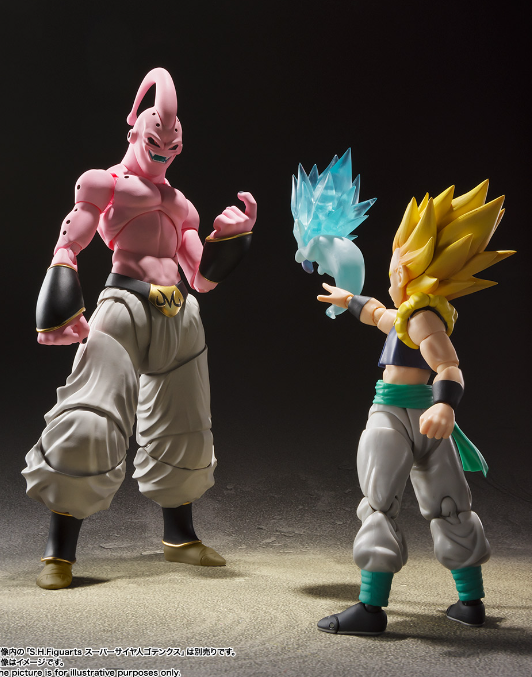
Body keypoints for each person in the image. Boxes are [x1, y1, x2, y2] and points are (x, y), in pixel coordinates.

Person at [23, 68, 257, 590]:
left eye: (173, 144)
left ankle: (181, 538)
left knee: (186, 427)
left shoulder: (182, 205)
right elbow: (70, 242)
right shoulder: (104, 183)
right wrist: (59, 304)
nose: (164, 149)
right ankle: (58, 552)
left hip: (179, 313)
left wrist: (234, 238)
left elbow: (202, 278)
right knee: (89, 418)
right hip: (122, 308)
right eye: (156, 139)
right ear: (134, 131)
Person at [316, 181, 513, 635]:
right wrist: (350, 302)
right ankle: (470, 602)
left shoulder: (423, 316)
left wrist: (446, 406)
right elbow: (381, 316)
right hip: (423, 418)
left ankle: (370, 610)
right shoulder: (416, 312)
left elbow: (448, 366)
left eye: (394, 260)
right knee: (448, 504)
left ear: (405, 267)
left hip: (398, 415)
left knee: (381, 504)